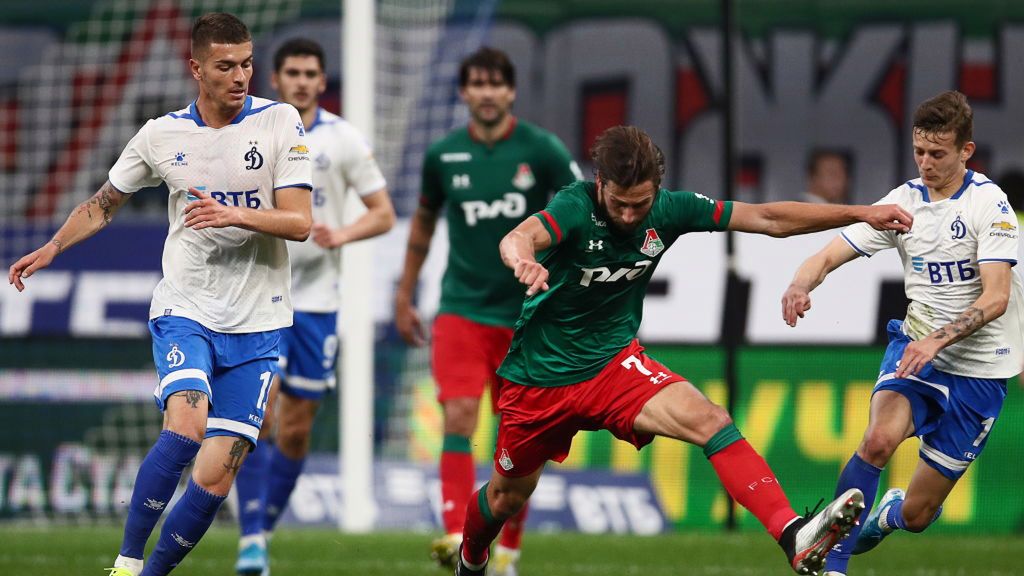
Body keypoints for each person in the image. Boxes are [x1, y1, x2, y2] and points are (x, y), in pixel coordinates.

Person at [453, 124, 918, 576]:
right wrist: (524, 260)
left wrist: (860, 212)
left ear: (657, 189)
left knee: (710, 420)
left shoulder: (671, 209)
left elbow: (767, 218)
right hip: (538, 382)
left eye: (640, 204)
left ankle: (793, 535)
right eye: (619, 203)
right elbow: (518, 237)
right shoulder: (575, 206)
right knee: (505, 498)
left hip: (613, 367)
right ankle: (471, 558)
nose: (629, 216)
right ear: (600, 184)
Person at [8, 13, 313, 576]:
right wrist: (53, 247)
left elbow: (300, 222)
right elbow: (104, 203)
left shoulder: (279, 121)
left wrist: (232, 214)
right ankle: (126, 563)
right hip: (186, 307)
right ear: (196, 68)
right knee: (186, 427)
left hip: (258, 321)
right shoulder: (160, 135)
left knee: (217, 474)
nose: (240, 76)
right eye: (225, 66)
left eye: (247, 64)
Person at [781, 91, 1023, 576]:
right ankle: (832, 566)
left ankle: (889, 513)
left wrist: (939, 339)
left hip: (980, 370)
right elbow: (827, 255)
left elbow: (997, 297)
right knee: (877, 440)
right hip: (916, 350)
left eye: (938, 153)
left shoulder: (989, 204)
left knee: (918, 515)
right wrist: (800, 284)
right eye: (919, 152)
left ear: (966, 151)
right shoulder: (902, 203)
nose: (926, 163)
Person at [394, 47, 581, 575]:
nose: (487, 92)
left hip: (528, 315)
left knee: (521, 437)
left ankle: (509, 552)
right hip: (461, 309)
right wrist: (405, 293)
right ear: (464, 92)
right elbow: (423, 225)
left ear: (511, 91)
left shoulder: (541, 150)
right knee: (458, 414)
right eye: (477, 83)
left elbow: (582, 206)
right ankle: (457, 533)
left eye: (496, 83)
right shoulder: (443, 155)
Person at [230, 37, 395, 575]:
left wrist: (341, 234)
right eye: (293, 73)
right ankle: (250, 539)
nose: (301, 82)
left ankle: (263, 528)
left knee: (297, 429)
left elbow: (383, 213)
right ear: (275, 79)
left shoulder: (343, 139)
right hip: (260, 293)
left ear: (323, 82)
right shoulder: (249, 130)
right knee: (261, 414)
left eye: (310, 74)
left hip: (319, 302)